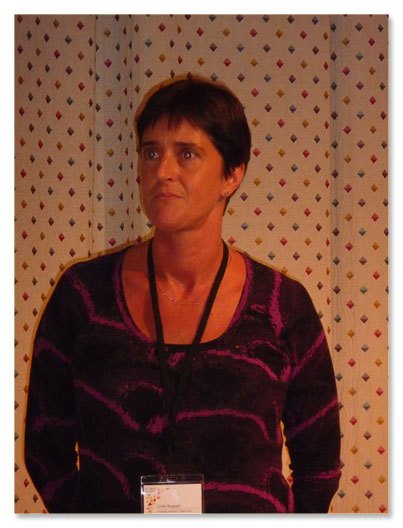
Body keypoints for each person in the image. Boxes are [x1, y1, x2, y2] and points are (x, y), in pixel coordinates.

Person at [24, 75, 341, 513]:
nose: (162, 171)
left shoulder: (282, 307)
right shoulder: (83, 296)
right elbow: (45, 447)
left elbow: (319, 465)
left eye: (187, 154)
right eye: (151, 152)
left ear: (232, 174)